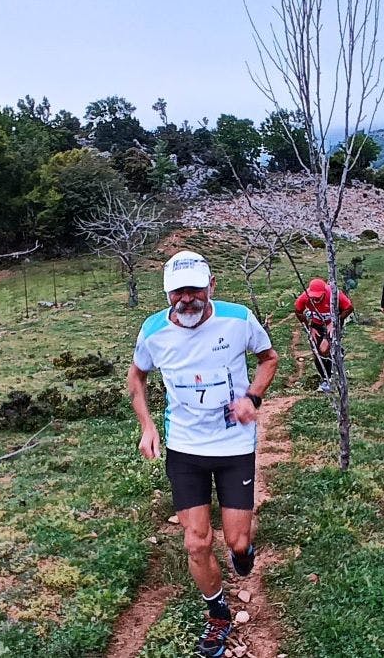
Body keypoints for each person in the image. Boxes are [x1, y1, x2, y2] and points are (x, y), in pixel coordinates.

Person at [127, 250, 279, 658]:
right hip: (185, 448)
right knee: (196, 542)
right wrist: (147, 426)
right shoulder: (154, 331)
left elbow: (269, 358)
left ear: (211, 285)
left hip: (233, 446)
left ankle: (242, 552)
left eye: (195, 289)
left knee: (237, 541)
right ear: (167, 293)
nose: (187, 299)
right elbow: (137, 376)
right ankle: (218, 615)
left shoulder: (238, 319)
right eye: (177, 292)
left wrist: (252, 397)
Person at [294, 278, 354, 393]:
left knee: (324, 348)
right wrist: (309, 327)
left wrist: (335, 322)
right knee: (317, 352)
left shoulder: (334, 293)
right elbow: (298, 311)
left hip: (332, 324)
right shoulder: (305, 296)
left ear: (324, 293)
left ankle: (329, 378)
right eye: (313, 297)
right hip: (316, 324)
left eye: (318, 297)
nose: (315, 300)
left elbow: (349, 308)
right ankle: (325, 377)